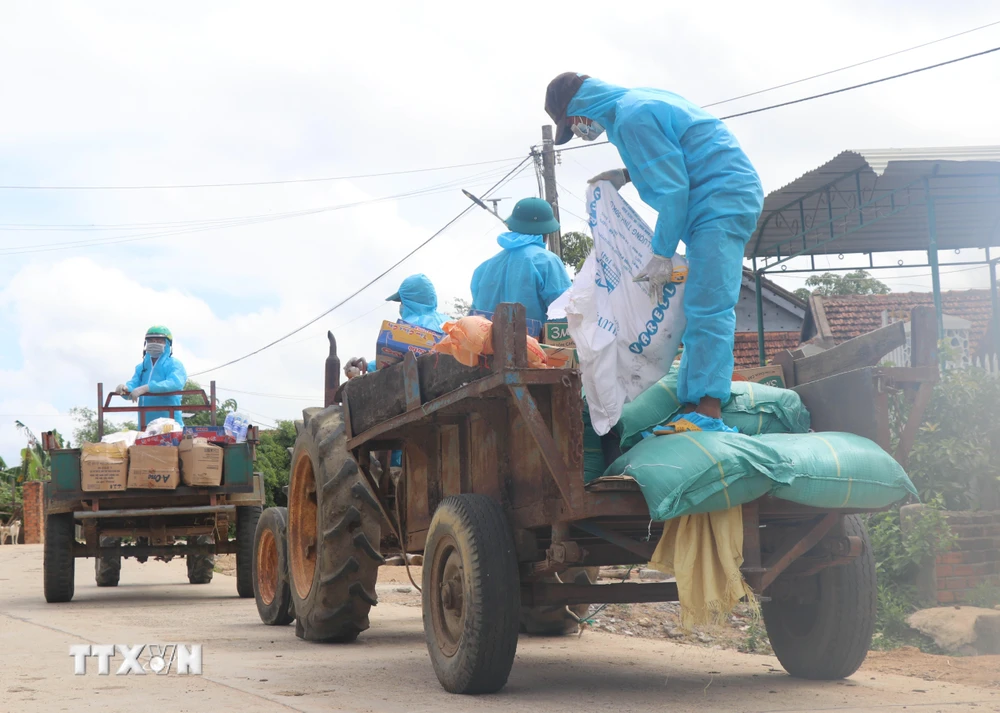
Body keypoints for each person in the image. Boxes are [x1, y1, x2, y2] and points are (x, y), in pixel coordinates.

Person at [544, 73, 764, 433]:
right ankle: (695, 404)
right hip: (709, 200)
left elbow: (675, 190)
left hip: (720, 199)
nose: (580, 131)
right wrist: (628, 174)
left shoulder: (632, 116)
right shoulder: (629, 108)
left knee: (709, 305)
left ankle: (708, 409)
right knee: (697, 304)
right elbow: (675, 154)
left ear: (579, 108)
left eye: (573, 124)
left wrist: (661, 256)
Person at [470, 197, 572, 325]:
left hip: (488, 344)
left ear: (513, 227)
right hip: (535, 344)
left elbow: (474, 317)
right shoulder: (547, 261)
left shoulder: (484, 268)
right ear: (546, 232)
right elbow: (565, 312)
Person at [115, 325, 188, 427]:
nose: (154, 344)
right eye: (151, 341)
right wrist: (125, 389)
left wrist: (148, 387)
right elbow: (133, 386)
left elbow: (175, 383)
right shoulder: (142, 367)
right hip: (145, 425)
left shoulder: (174, 364)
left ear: (167, 344)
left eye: (159, 341)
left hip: (170, 422)